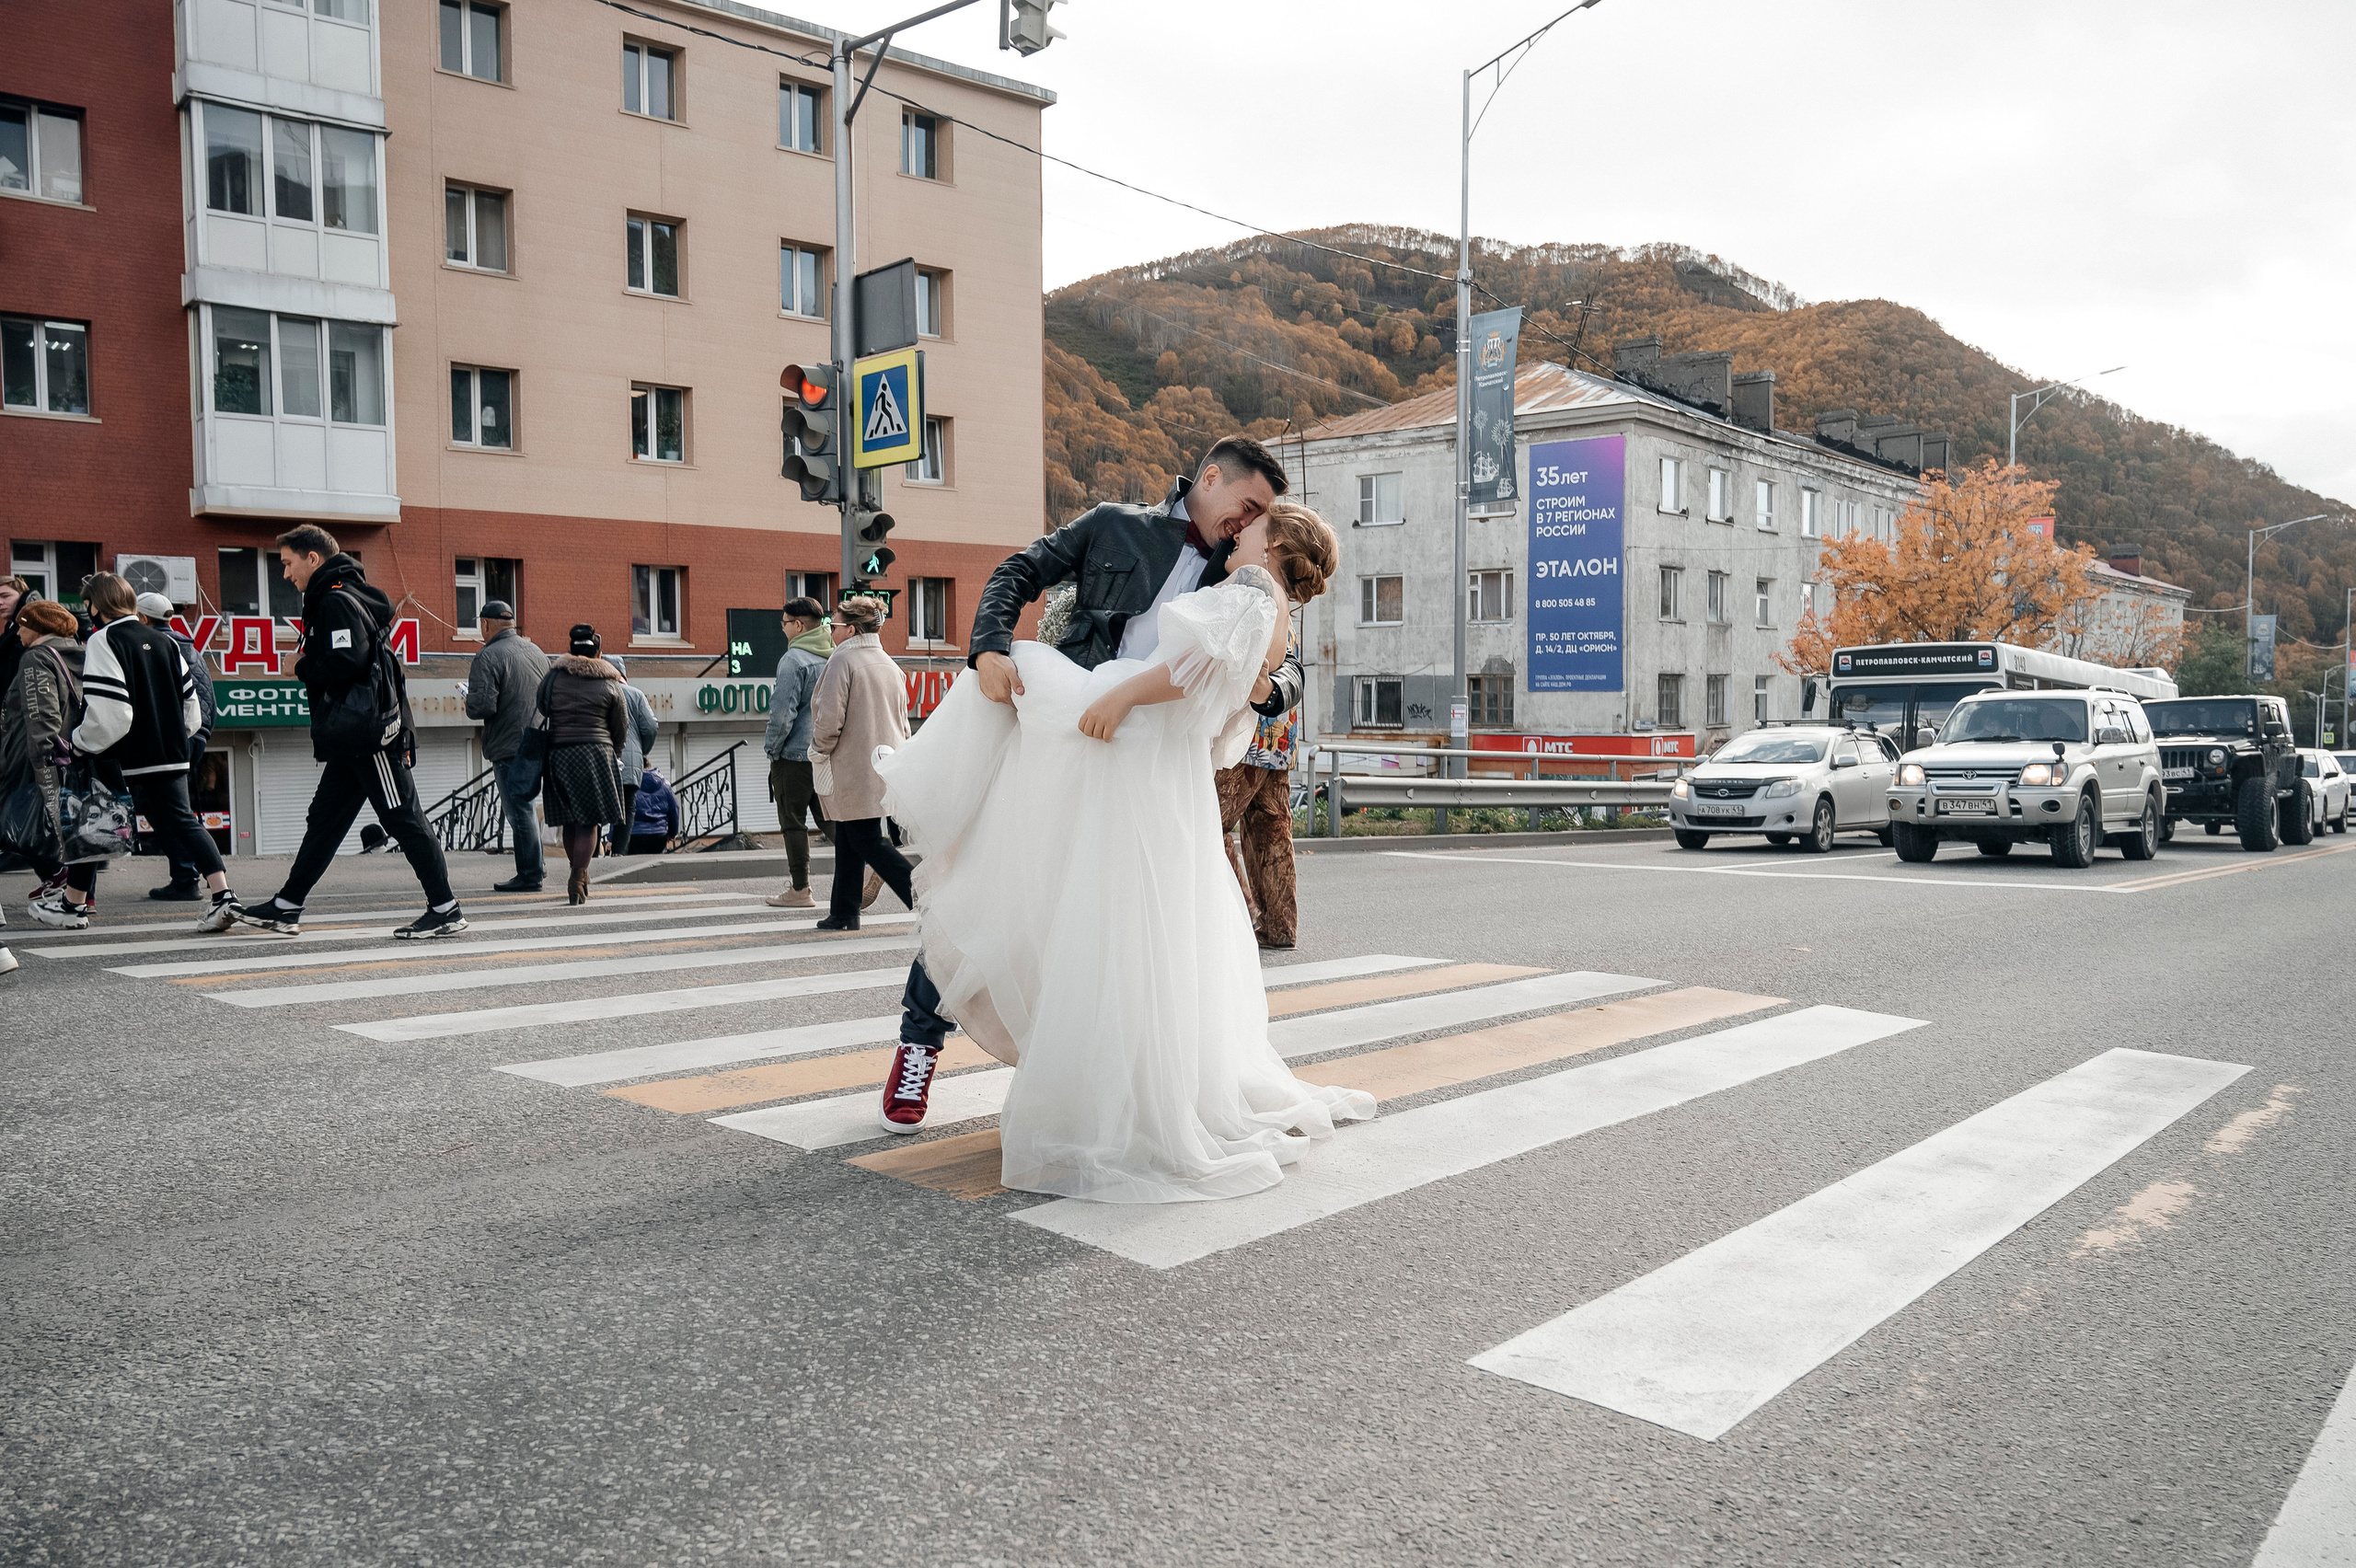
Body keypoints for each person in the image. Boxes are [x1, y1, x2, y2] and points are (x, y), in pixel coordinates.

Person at [877, 503, 1368, 1200]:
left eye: (1256, 524)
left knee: (1082, 909)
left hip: (1128, 745)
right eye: (1242, 511)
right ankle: (942, 1044)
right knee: (1039, 886)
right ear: (1215, 481)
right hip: (1140, 755)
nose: (1239, 529)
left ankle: (914, 785)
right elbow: (1024, 570)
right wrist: (990, 645)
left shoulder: (1254, 590)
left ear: (1277, 541)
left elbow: (1228, 670)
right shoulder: (1131, 530)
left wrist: (1130, 698)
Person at [233, 525, 468, 940]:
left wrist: (300, 667)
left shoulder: (336, 600)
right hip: (352, 735)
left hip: (366, 735)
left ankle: (445, 909)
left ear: (313, 559)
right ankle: (287, 906)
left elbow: (350, 661)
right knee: (324, 820)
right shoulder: (343, 596)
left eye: (288, 563)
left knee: (403, 819)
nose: (285, 574)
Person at [53, 574, 242, 932]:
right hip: (171, 754)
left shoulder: (103, 639)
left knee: (98, 822)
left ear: (96, 605)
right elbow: (192, 712)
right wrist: (170, 738)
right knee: (185, 823)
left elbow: (112, 714)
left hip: (123, 757)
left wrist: (79, 741)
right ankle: (223, 896)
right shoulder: (166, 641)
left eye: (89, 604)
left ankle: (73, 906)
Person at [806, 595, 913, 932]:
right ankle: (844, 912)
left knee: (866, 840)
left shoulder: (844, 661)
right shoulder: (889, 663)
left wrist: (819, 750)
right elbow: (903, 720)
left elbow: (829, 719)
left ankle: (927, 900)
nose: (831, 631)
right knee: (851, 838)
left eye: (833, 625)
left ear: (850, 629)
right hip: (885, 762)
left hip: (853, 765)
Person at [2, 598, 99, 932]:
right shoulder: (80, 656)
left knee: (18, 825)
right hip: (73, 757)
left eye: (22, 624)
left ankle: (64, 887)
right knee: (69, 830)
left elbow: (42, 717)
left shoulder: (36, 658)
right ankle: (77, 895)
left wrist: (43, 771)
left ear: (38, 627)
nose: (16, 632)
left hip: (30, 761)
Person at [1215, 605, 1303, 950]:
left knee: (1211, 821)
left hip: (1248, 736)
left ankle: (1243, 914)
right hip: (1281, 732)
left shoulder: (1257, 599)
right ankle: (1279, 926)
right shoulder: (1284, 611)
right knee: (1272, 828)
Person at [462, 598, 550, 893]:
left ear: (485, 625)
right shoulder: (536, 651)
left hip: (510, 744)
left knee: (518, 810)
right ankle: (537, 866)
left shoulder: (487, 656)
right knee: (528, 806)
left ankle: (530, 874)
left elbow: (481, 707)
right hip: (540, 739)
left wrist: (468, 698)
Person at [135, 592, 219, 901]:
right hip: (194, 736)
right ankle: (187, 875)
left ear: (143, 619)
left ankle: (189, 877)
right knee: (168, 809)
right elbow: (208, 696)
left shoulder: (153, 647)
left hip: (171, 740)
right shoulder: (188, 646)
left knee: (167, 809)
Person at [537, 624, 628, 905]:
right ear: (598, 651)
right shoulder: (611, 681)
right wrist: (615, 750)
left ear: (571, 649)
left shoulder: (554, 677)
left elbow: (542, 706)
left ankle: (577, 872)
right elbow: (620, 725)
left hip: (559, 753)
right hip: (596, 754)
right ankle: (578, 876)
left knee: (569, 820)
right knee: (590, 821)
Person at [762, 596, 837, 909]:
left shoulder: (793, 661)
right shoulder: (834, 656)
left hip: (793, 755)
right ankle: (867, 860)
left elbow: (782, 715)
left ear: (798, 625)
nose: (783, 630)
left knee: (793, 822)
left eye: (784, 624)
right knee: (830, 820)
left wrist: (771, 749)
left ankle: (800, 889)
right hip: (825, 753)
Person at [609, 656, 659, 848]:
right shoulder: (635, 694)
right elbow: (650, 727)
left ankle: (591, 857)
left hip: (599, 758)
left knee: (594, 809)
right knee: (627, 806)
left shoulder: (596, 691)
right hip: (630, 761)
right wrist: (642, 751)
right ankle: (619, 853)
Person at [628, 764, 680, 854]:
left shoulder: (631, 785)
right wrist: (672, 832)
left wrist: (612, 837)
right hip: (659, 833)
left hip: (635, 833)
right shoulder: (665, 785)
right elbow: (674, 809)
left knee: (636, 864)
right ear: (648, 765)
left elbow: (622, 811)